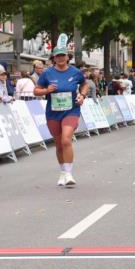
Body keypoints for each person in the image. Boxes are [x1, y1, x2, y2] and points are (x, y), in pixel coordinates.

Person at [34, 36, 86, 186]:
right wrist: (46, 90)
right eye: (58, 56)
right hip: (53, 113)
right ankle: (63, 171)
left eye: (63, 55)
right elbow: (36, 91)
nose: (61, 58)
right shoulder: (47, 74)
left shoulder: (75, 72)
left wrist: (82, 95)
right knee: (58, 144)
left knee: (66, 140)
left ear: (67, 57)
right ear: (54, 58)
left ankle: (69, 173)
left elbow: (84, 84)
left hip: (71, 111)